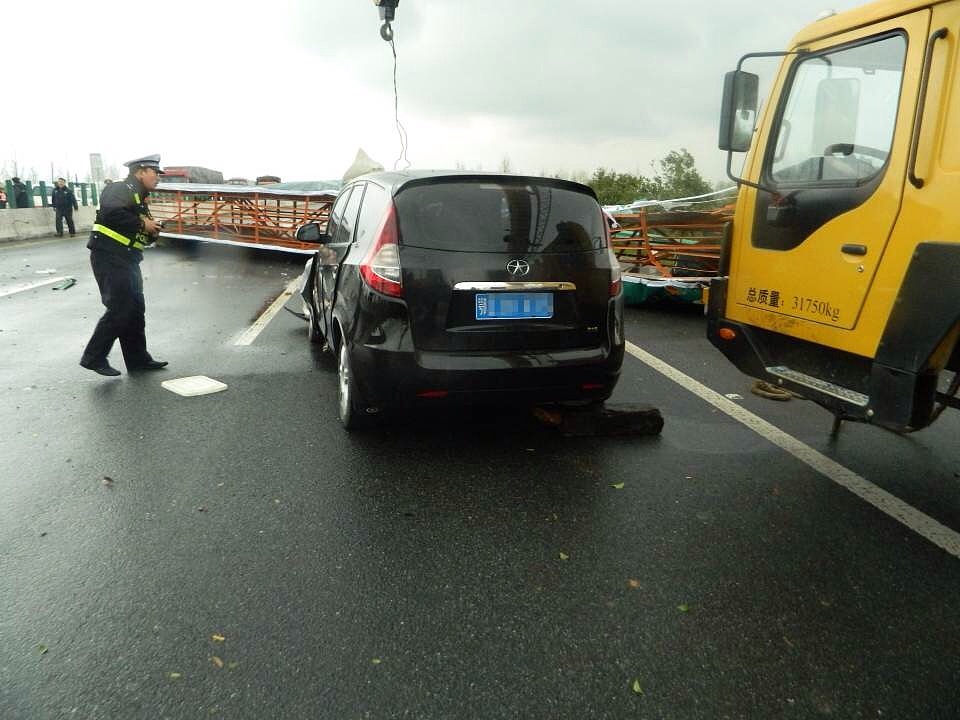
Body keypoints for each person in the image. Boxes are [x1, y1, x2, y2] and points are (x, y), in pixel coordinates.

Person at [79, 154, 168, 377]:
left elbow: (141, 234)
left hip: (128, 259)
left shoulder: (140, 200)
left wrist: (152, 231)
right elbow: (111, 213)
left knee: (135, 310)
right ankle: (94, 357)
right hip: (109, 257)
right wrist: (142, 224)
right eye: (154, 172)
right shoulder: (121, 189)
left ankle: (138, 360)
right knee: (120, 308)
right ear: (140, 171)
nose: (158, 177)